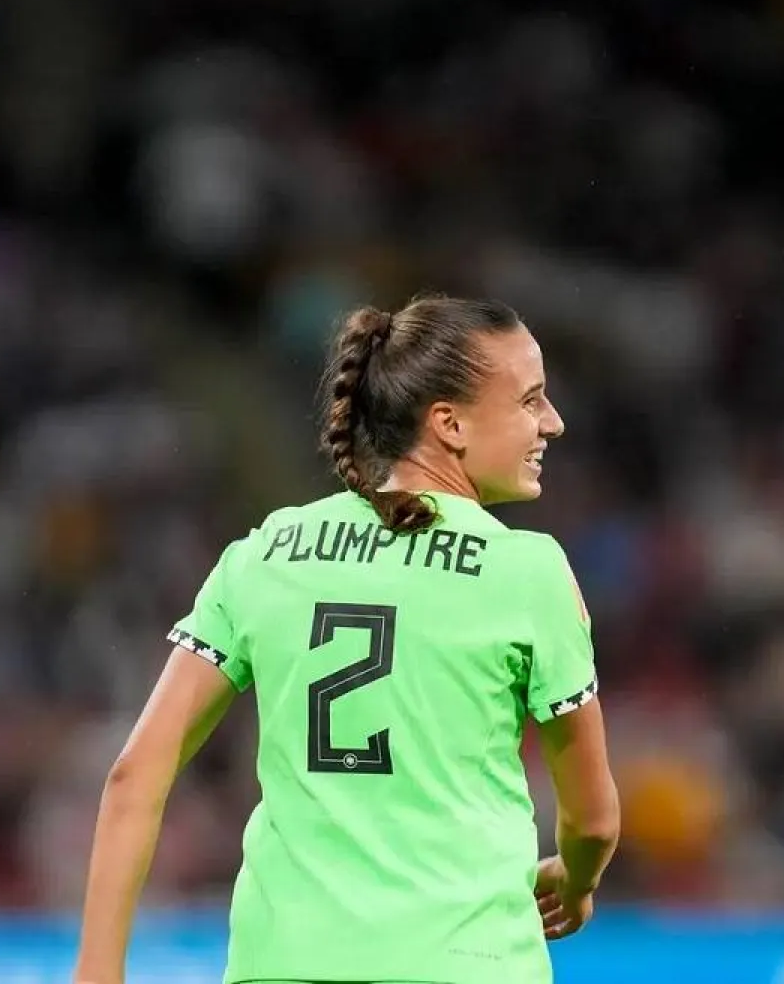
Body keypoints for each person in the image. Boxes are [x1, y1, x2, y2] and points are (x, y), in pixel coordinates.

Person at [73, 296, 620, 984]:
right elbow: (593, 819)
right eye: (531, 400)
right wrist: (574, 881)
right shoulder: (528, 572)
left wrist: (97, 969)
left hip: (284, 964)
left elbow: (135, 775)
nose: (553, 422)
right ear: (448, 423)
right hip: (468, 962)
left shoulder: (266, 552)